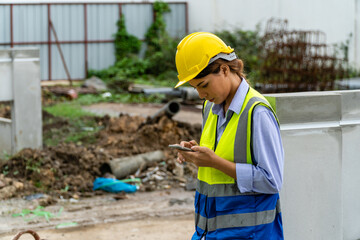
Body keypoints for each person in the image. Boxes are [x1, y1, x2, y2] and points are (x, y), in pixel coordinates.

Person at [173, 32, 284, 240]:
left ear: (224, 69)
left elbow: (272, 181)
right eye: (195, 87)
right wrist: (196, 153)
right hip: (211, 232)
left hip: (250, 234)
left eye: (204, 85)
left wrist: (214, 162)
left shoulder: (257, 112)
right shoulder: (210, 108)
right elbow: (223, 156)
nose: (201, 95)